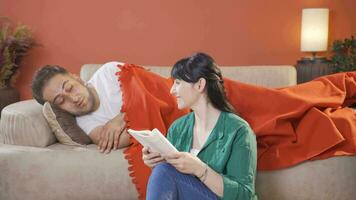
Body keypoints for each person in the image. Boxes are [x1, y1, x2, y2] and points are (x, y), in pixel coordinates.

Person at [142, 53, 258, 200]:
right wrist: (157, 160)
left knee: (163, 171)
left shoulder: (239, 130)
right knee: (162, 169)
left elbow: (244, 195)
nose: (172, 90)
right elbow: (172, 183)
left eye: (177, 83)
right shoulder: (178, 128)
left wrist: (200, 170)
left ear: (200, 85)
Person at [31, 61, 130, 153]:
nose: (74, 99)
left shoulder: (109, 72)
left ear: (76, 78)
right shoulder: (85, 124)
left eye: (69, 88)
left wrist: (121, 117)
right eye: (61, 101)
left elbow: (145, 87)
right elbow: (118, 141)